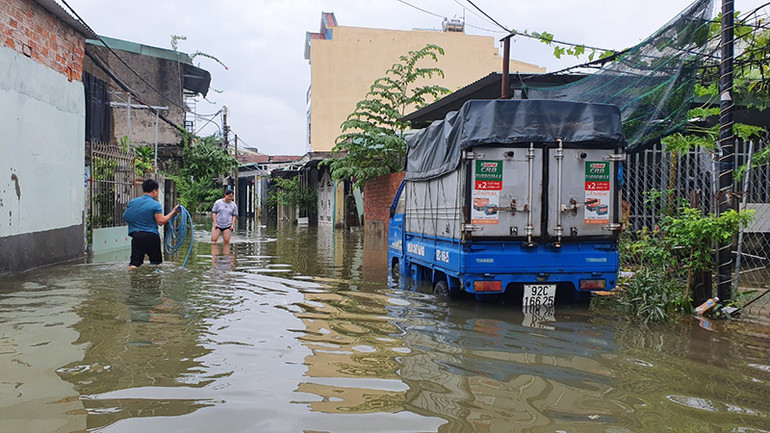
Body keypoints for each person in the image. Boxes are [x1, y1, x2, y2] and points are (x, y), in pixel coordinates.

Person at [122, 179, 180, 268]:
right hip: (152, 237)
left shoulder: (133, 202)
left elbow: (125, 216)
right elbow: (160, 221)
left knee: (134, 264)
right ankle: (155, 281)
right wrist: (173, 212)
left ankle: (133, 280)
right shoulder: (156, 204)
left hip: (137, 236)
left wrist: (136, 225)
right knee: (156, 265)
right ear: (154, 191)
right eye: (157, 191)